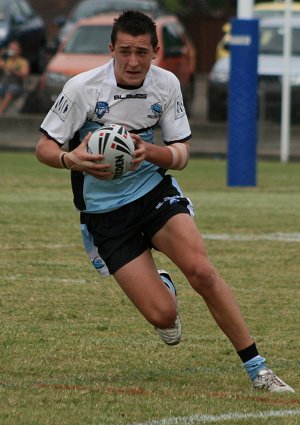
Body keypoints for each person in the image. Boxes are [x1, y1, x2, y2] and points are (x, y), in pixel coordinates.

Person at [36, 10, 294, 393]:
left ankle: (258, 369)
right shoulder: (82, 89)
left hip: (153, 194)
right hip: (106, 215)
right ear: (111, 50)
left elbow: (182, 153)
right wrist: (69, 159)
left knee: (203, 273)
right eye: (125, 51)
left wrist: (148, 153)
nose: (134, 61)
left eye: (142, 51)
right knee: (163, 315)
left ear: (156, 51)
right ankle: (163, 290)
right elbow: (44, 147)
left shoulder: (166, 84)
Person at [0, 40, 30, 114]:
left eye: (14, 49)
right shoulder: (7, 60)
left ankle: (0, 111)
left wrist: (13, 71)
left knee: (11, 90)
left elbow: (25, 74)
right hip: (4, 83)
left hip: (16, 84)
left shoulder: (22, 62)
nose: (12, 51)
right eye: (11, 49)